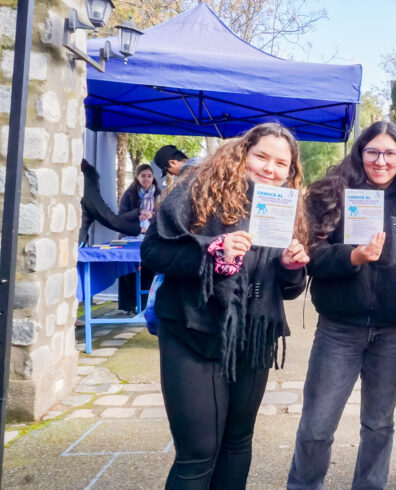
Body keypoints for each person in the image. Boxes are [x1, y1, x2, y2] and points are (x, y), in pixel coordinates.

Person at [141, 123, 309, 489]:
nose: (271, 169)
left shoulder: (286, 208)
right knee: (198, 451)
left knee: (237, 442)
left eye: (282, 163)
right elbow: (152, 251)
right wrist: (211, 251)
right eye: (261, 157)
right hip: (191, 328)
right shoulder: (197, 188)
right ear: (241, 154)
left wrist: (292, 268)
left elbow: (290, 289)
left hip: (252, 334)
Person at [286, 121, 396, 490]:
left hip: (392, 333)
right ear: (360, 153)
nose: (381, 161)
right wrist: (353, 257)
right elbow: (311, 257)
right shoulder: (332, 195)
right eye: (373, 152)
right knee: (317, 426)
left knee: (379, 425)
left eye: (390, 153)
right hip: (339, 330)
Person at [117, 163, 161, 312]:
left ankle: (144, 305)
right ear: (137, 177)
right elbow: (121, 217)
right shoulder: (129, 193)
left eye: (149, 175)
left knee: (149, 269)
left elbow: (163, 215)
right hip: (130, 237)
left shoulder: (158, 194)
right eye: (143, 176)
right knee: (126, 270)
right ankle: (126, 306)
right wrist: (138, 212)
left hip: (150, 238)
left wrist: (152, 215)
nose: (147, 179)